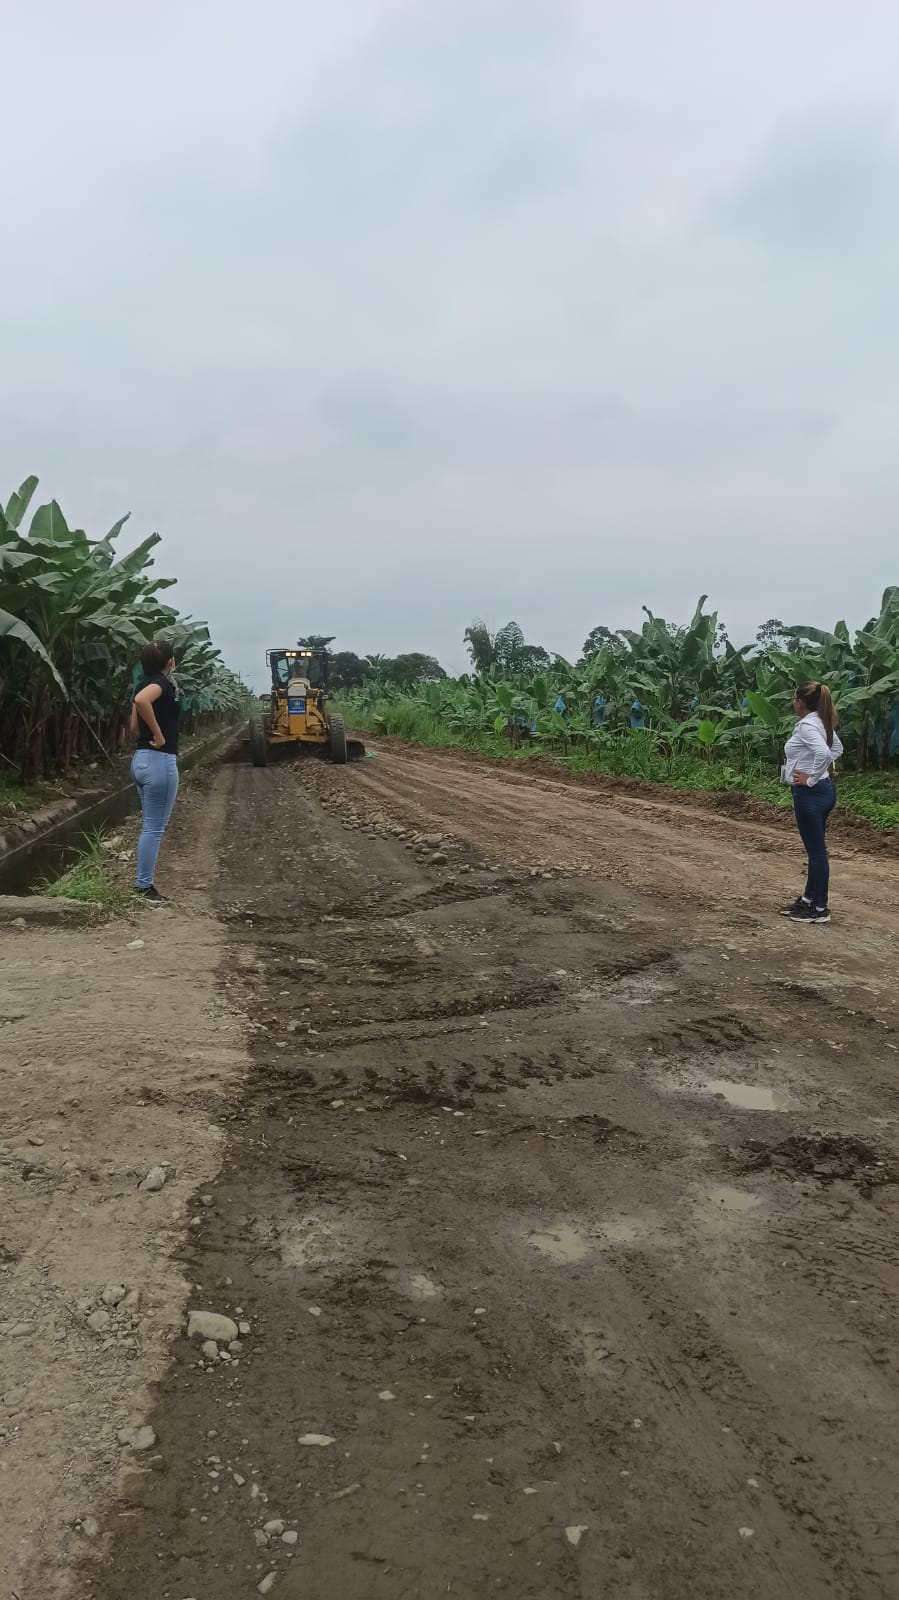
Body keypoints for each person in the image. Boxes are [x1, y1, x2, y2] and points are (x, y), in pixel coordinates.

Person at [780, 681, 843, 924]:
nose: (793, 703)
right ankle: (809, 900)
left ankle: (819, 908)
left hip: (811, 794)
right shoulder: (819, 721)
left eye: (794, 699)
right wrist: (820, 772)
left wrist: (811, 777)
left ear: (800, 702)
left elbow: (825, 753)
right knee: (816, 851)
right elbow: (837, 748)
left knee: (816, 853)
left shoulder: (808, 725)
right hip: (823, 792)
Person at [130, 640, 180, 904]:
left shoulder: (142, 684)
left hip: (140, 759)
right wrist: (159, 735)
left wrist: (149, 732)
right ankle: (144, 888)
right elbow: (142, 702)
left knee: (149, 826)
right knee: (153, 829)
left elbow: (133, 726)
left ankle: (143, 884)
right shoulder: (160, 684)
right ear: (170, 662)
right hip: (159, 761)